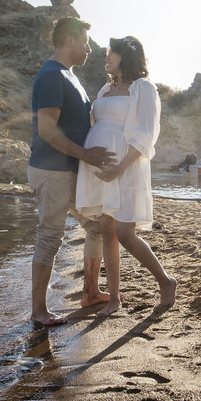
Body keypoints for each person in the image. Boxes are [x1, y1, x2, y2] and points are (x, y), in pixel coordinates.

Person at [76, 36, 176, 316]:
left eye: (111, 53)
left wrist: (119, 167)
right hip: (101, 167)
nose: (106, 57)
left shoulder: (142, 88)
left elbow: (145, 135)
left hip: (127, 164)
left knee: (124, 232)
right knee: (107, 230)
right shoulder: (106, 87)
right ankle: (114, 299)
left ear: (126, 57)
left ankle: (166, 281)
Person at [28, 16, 117, 326]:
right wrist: (87, 155)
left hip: (68, 171)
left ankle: (90, 292)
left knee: (95, 226)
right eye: (85, 42)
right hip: (51, 171)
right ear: (68, 41)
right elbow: (48, 130)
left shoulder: (69, 76)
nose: (89, 48)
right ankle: (39, 311)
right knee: (50, 238)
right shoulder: (53, 76)